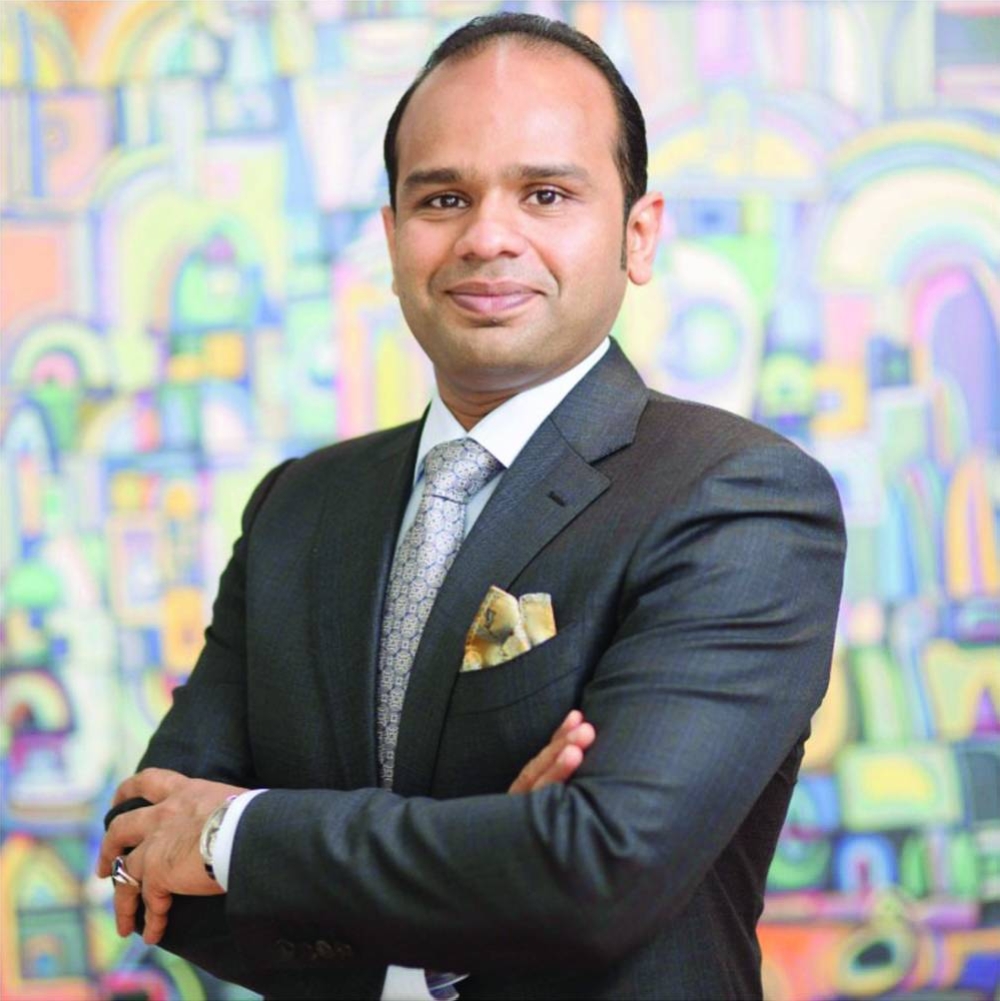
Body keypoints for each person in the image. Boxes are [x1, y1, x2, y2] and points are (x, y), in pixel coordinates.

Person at [98, 12, 846, 1001]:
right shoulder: (298, 508)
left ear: (638, 234)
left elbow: (596, 870)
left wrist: (237, 834)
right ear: (392, 237)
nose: (488, 236)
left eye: (546, 194)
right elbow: (146, 853)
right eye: (443, 197)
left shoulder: (736, 498)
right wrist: (485, 881)